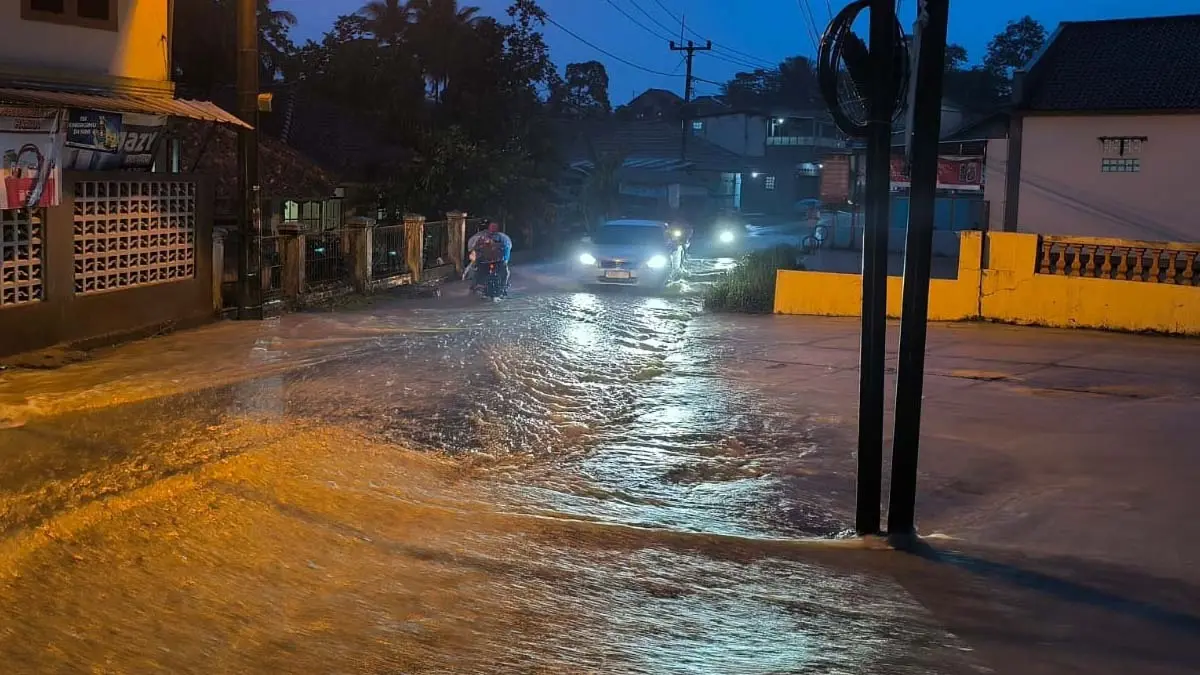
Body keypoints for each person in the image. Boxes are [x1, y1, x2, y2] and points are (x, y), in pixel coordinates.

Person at [467, 221, 513, 294]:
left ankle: (503, 286)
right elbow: (473, 246)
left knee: (505, 272)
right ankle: (474, 286)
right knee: (476, 272)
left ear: (497, 228)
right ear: (489, 227)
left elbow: (507, 246)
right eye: (492, 226)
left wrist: (503, 256)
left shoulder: (501, 237)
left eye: (494, 227)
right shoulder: (482, 236)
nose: (493, 228)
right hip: (483, 261)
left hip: (498, 261)